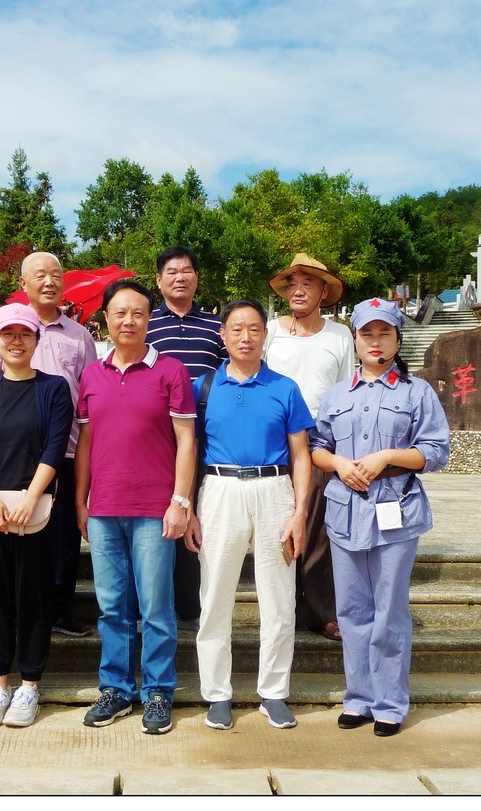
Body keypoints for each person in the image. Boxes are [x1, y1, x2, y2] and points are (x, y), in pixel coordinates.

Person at [309, 297, 450, 737]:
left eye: (383, 333)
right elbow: (316, 446)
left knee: (389, 610)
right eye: (366, 333)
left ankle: (389, 704)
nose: (375, 341)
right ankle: (359, 698)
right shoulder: (337, 394)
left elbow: (436, 451)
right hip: (345, 512)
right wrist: (338, 465)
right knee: (352, 609)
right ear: (355, 339)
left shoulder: (416, 392)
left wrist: (388, 455)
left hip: (396, 510)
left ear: (396, 339)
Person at [185, 299, 314, 732]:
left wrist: (299, 513)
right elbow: (190, 453)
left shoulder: (285, 388)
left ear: (264, 335)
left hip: (274, 490)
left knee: (278, 597)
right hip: (219, 489)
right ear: (222, 335)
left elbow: (301, 457)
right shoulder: (204, 388)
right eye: (236, 329)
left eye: (254, 329)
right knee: (215, 595)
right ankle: (217, 693)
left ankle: (274, 691)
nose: (245, 336)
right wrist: (189, 509)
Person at [75, 280, 196, 735]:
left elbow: (187, 441)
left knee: (156, 607)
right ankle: (116, 688)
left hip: (153, 508)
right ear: (105, 318)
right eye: (120, 312)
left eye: (139, 313)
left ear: (150, 319)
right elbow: (85, 443)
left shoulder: (171, 371)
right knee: (111, 607)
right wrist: (79, 501)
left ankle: (159, 692)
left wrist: (180, 501)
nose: (129, 321)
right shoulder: (92, 374)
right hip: (104, 508)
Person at [0, 250, 98, 638]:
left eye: (56, 274)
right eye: (39, 275)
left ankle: (58, 610)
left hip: (64, 451)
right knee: (11, 534)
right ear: (23, 283)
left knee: (60, 536)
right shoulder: (7, 325)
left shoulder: (79, 334)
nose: (49, 281)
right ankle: (14, 614)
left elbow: (91, 392)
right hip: (10, 455)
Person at [0, 303, 73, 729]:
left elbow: (55, 445)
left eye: (24, 334)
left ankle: (29, 685)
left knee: (33, 596)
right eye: (7, 334)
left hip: (37, 509)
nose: (15, 341)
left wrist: (32, 494)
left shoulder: (54, 388)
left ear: (36, 340)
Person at [264, 253, 356, 642]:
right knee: (276, 524)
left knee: (317, 528)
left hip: (318, 441)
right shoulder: (268, 331)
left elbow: (348, 391)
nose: (298, 290)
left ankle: (320, 611)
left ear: (323, 291)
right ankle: (280, 609)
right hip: (271, 440)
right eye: (292, 284)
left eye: (308, 284)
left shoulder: (339, 336)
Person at [145, 246, 228, 630]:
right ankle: (157, 606)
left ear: (197, 278)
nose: (181, 276)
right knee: (162, 515)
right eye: (172, 271)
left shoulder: (216, 329)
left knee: (200, 515)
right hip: (157, 437)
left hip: (208, 437)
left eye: (188, 270)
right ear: (159, 280)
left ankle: (193, 608)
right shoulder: (145, 325)